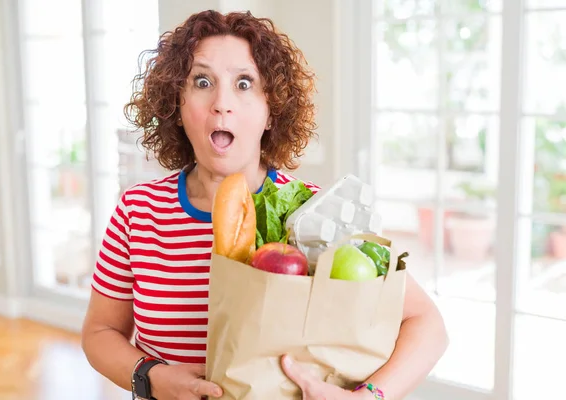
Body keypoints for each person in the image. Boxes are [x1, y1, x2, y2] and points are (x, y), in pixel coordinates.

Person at [81, 9, 448, 400]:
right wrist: (150, 377)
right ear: (177, 104)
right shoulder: (139, 211)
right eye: (202, 81)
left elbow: (427, 324)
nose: (222, 103)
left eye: (244, 83)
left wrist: (368, 397)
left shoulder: (314, 210)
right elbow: (100, 333)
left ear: (272, 110)